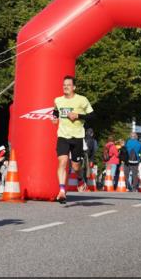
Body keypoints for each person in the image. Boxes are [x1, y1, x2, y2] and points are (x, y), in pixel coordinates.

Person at [50, 75, 93, 204]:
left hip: (77, 136)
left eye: (68, 85)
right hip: (63, 135)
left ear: (74, 87)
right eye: (64, 85)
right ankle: (62, 191)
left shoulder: (82, 100)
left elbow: (92, 116)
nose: (66, 87)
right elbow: (56, 111)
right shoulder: (58, 100)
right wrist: (55, 118)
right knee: (62, 161)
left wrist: (78, 115)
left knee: (75, 166)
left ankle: (80, 178)